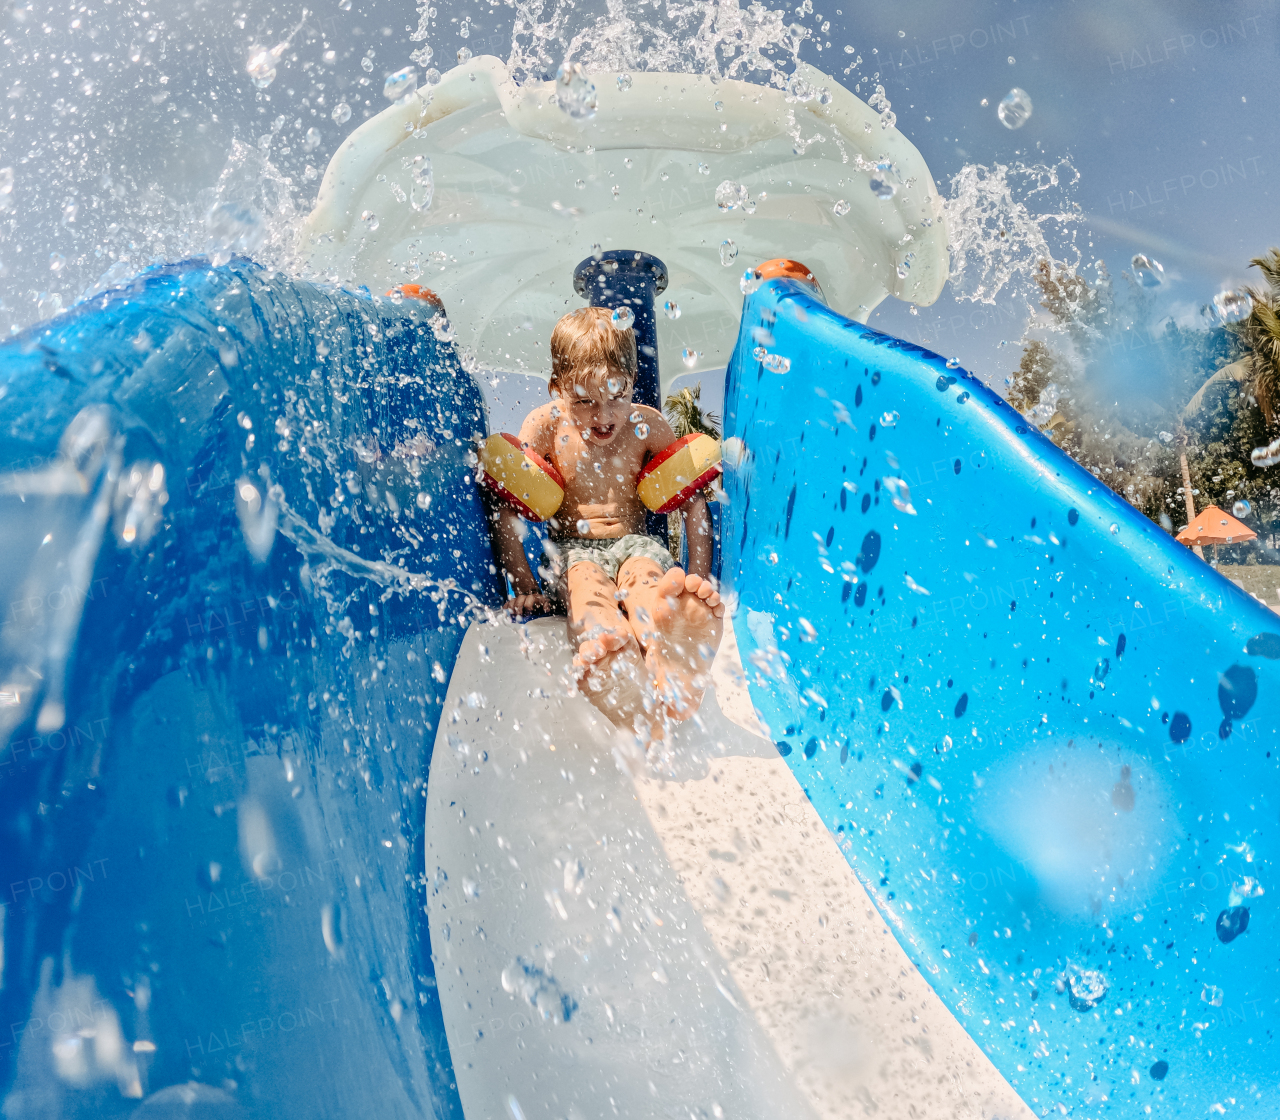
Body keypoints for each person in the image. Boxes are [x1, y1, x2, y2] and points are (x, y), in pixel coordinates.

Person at [486, 306, 723, 736]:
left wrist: (696, 583)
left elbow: (690, 502)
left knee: (648, 577)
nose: (604, 416)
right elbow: (510, 509)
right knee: (586, 586)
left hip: (634, 543)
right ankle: (609, 655)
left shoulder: (648, 425)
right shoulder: (543, 426)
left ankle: (671, 646)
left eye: (618, 395)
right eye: (584, 401)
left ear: (632, 382)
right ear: (557, 388)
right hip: (573, 552)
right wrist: (525, 589)